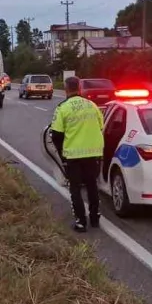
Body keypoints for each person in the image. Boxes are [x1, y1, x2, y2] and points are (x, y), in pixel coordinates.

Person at [50, 76, 105, 232]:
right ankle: (94, 218)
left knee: (75, 188)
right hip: (93, 153)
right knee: (92, 186)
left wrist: (62, 155)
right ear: (79, 88)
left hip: (73, 156)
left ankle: (81, 222)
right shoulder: (92, 105)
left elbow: (56, 135)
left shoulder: (63, 108)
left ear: (66, 89)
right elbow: (101, 126)